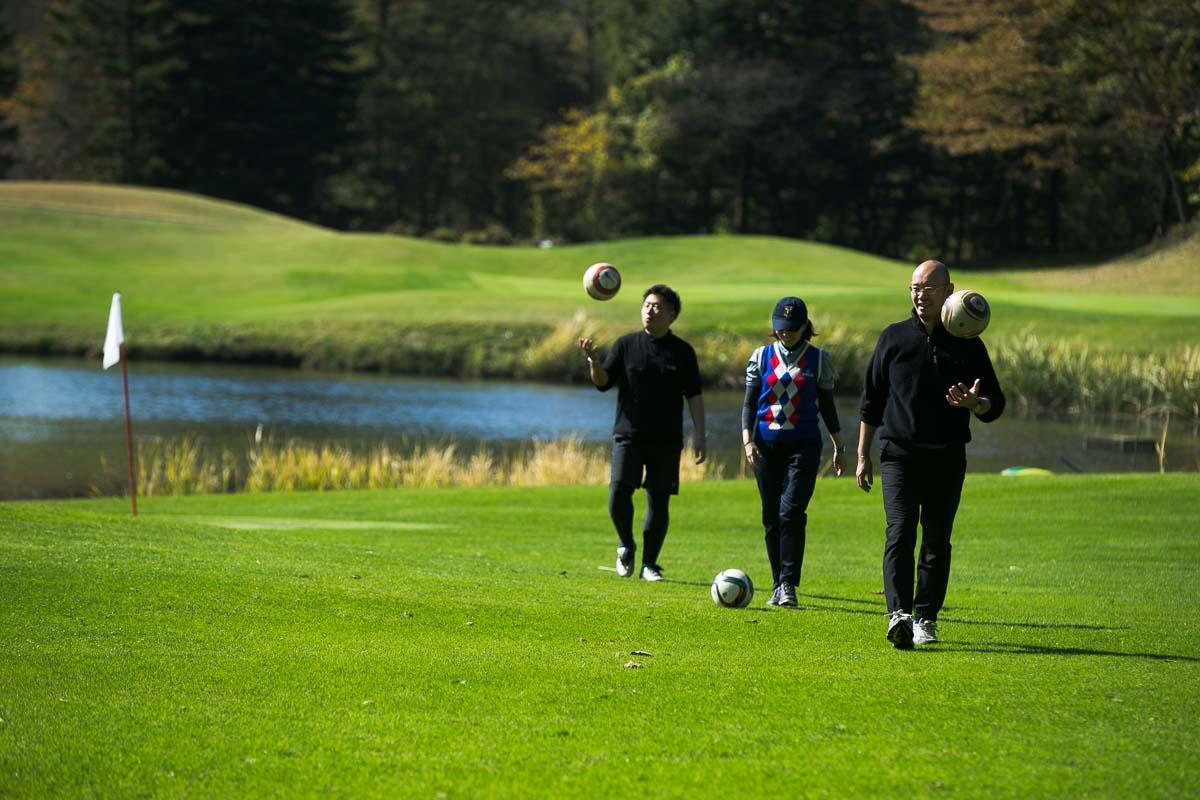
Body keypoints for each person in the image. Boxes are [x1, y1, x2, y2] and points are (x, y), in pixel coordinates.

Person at [856, 260, 1005, 649]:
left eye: (929, 288)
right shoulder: (892, 338)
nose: (920, 295)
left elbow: (996, 404)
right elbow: (871, 402)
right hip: (898, 454)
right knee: (900, 532)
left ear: (949, 289)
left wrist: (977, 403)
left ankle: (926, 618)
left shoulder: (969, 343)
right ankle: (899, 614)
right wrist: (861, 455)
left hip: (947, 456)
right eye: (914, 288)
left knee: (937, 540)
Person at [578, 284, 706, 582]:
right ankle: (626, 544)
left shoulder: (683, 352)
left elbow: (695, 395)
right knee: (618, 493)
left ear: (672, 315)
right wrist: (594, 361)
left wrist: (701, 434)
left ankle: (650, 564)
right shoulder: (625, 345)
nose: (650, 310)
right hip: (628, 435)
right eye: (647, 305)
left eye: (658, 306)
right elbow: (603, 382)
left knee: (658, 502)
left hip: (666, 439)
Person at [743, 297, 844, 607]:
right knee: (771, 517)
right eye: (780, 328)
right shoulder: (760, 357)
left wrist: (840, 446)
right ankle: (777, 583)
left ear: (804, 327)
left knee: (792, 512)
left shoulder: (818, 360)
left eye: (791, 329)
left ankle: (788, 584)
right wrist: (747, 441)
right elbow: (749, 404)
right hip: (765, 446)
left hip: (804, 446)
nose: (784, 334)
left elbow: (827, 406)